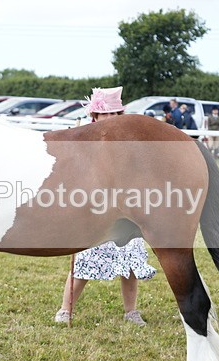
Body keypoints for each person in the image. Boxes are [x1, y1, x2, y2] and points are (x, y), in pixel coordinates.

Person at [53, 87, 156, 327]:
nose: (109, 119)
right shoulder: (86, 140)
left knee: (129, 263)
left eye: (113, 114)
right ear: (95, 117)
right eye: (104, 114)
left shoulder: (130, 142)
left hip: (127, 213)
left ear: (120, 115)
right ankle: (65, 309)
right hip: (96, 212)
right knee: (85, 263)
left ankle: (131, 311)